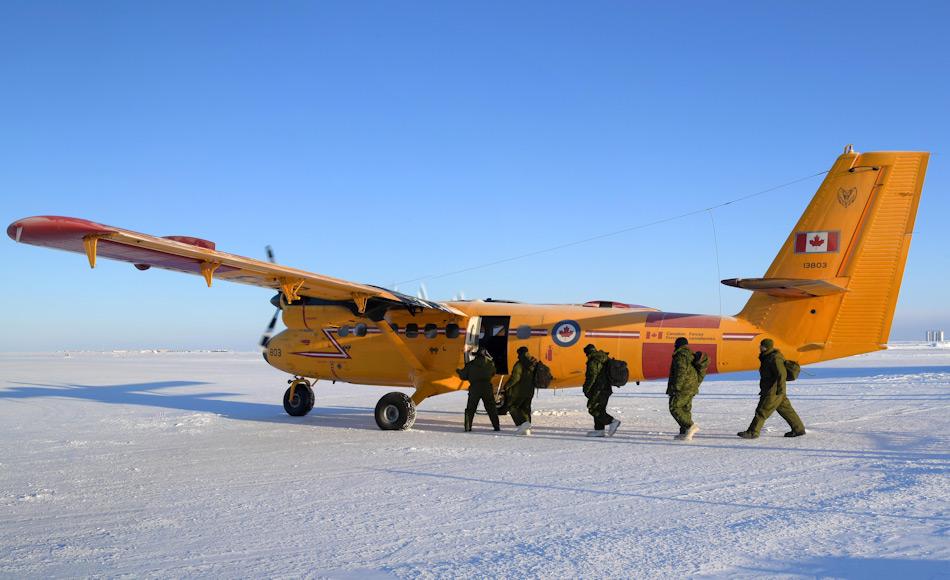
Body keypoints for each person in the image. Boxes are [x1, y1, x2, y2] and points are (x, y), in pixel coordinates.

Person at [738, 338, 806, 439]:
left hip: (773, 391)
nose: (760, 347)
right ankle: (798, 429)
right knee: (786, 410)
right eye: (760, 345)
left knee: (762, 411)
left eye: (762, 346)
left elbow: (781, 374)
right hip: (774, 390)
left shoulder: (774, 358)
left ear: (767, 347)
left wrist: (781, 390)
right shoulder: (767, 356)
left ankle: (753, 432)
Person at [457, 347, 501, 432]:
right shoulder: (490, 363)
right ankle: (496, 426)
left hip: (475, 387)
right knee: (491, 408)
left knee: (471, 408)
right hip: (487, 387)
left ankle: (468, 427)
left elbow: (463, 376)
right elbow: (493, 373)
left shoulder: (470, 364)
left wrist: (459, 371)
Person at [582, 344, 621, 437]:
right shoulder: (604, 358)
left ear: (588, 353)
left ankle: (612, 421)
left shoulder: (593, 361)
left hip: (598, 389)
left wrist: (586, 388)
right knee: (599, 408)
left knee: (593, 409)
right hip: (606, 388)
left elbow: (592, 376)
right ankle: (599, 430)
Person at [667, 337, 702, 441]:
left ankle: (690, 426)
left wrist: (677, 387)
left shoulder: (681, 355)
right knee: (685, 409)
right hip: (691, 386)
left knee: (674, 407)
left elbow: (681, 371)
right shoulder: (689, 354)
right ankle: (685, 432)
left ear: (677, 345)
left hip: (684, 387)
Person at [502, 346, 537, 435]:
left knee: (512, 406)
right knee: (526, 409)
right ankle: (527, 429)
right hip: (530, 391)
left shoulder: (520, 364)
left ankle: (523, 424)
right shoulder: (533, 362)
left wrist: (507, 386)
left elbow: (515, 378)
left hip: (519, 391)